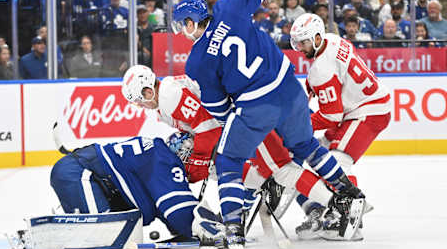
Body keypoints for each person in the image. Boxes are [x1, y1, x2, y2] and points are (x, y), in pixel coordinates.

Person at [172, 0, 366, 249]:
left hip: (255, 106)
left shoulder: (196, 61)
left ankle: (232, 237)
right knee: (307, 146)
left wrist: (240, 129)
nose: (182, 31)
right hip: (290, 90)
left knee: (228, 160)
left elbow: (217, 107)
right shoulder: (229, 8)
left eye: (182, 25)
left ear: (192, 22)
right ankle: (349, 197)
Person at [121, 65, 342, 236]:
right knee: (269, 171)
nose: (140, 106)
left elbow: (207, 127)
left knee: (279, 170)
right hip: (240, 121)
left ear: (148, 91)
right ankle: (256, 202)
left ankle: (340, 204)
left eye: (140, 100)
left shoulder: (169, 96)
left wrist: (198, 161)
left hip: (247, 118)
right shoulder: (165, 100)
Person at [291, 13, 391, 241]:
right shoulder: (333, 39)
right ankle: (322, 207)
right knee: (318, 154)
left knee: (335, 162)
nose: (300, 48)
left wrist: (301, 125)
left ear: (316, 38)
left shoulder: (320, 70)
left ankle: (350, 217)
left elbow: (331, 115)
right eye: (297, 43)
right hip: (361, 107)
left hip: (367, 112)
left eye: (303, 42)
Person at [50, 135, 199, 239]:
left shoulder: (156, 155)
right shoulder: (166, 161)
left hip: (76, 171)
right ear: (185, 154)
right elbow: (177, 209)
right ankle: (57, 233)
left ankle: (63, 230)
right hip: (78, 173)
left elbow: (166, 210)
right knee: (102, 235)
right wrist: (202, 227)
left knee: (116, 234)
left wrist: (184, 229)